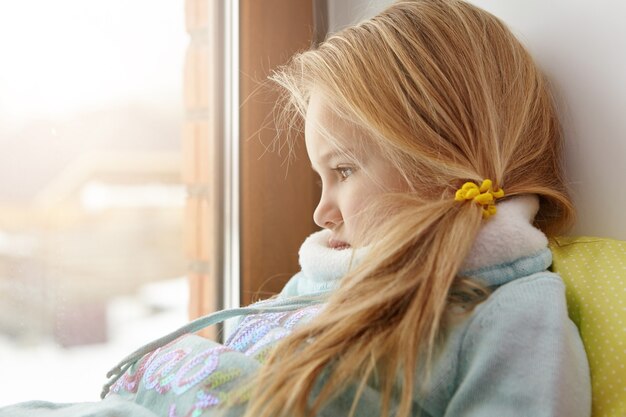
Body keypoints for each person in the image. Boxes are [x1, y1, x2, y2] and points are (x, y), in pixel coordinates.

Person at [0, 0, 591, 416]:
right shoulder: (319, 281)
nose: (321, 213)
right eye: (319, 178)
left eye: (343, 171)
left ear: (441, 159)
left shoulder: (508, 315)